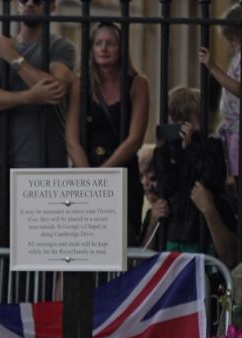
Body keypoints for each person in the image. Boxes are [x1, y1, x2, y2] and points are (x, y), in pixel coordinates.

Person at [65, 22, 149, 243]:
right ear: (91, 49)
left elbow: (135, 139)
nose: (104, 49)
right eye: (98, 43)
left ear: (122, 48)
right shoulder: (80, 85)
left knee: (120, 249)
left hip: (122, 172)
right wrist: (89, 178)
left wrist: (103, 174)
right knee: (80, 252)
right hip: (85, 173)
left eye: (111, 43)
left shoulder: (137, 84)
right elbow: (72, 139)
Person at [0, 0, 76, 169]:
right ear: (16, 4)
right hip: (8, 161)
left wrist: (13, 57)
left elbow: (55, 90)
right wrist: (30, 97)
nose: (30, 4)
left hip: (50, 162)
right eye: (24, 0)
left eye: (37, 1)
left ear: (52, 7)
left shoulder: (61, 47)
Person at [153, 87, 237, 268]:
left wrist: (190, 147)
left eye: (187, 118)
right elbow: (165, 186)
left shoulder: (211, 145)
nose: (182, 124)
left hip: (201, 233)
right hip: (175, 230)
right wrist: (161, 150)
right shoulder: (169, 149)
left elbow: (213, 178)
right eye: (176, 119)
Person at [199, 4, 242, 181]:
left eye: (234, 40)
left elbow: (239, 88)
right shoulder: (236, 58)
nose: (232, 45)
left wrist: (212, 68)